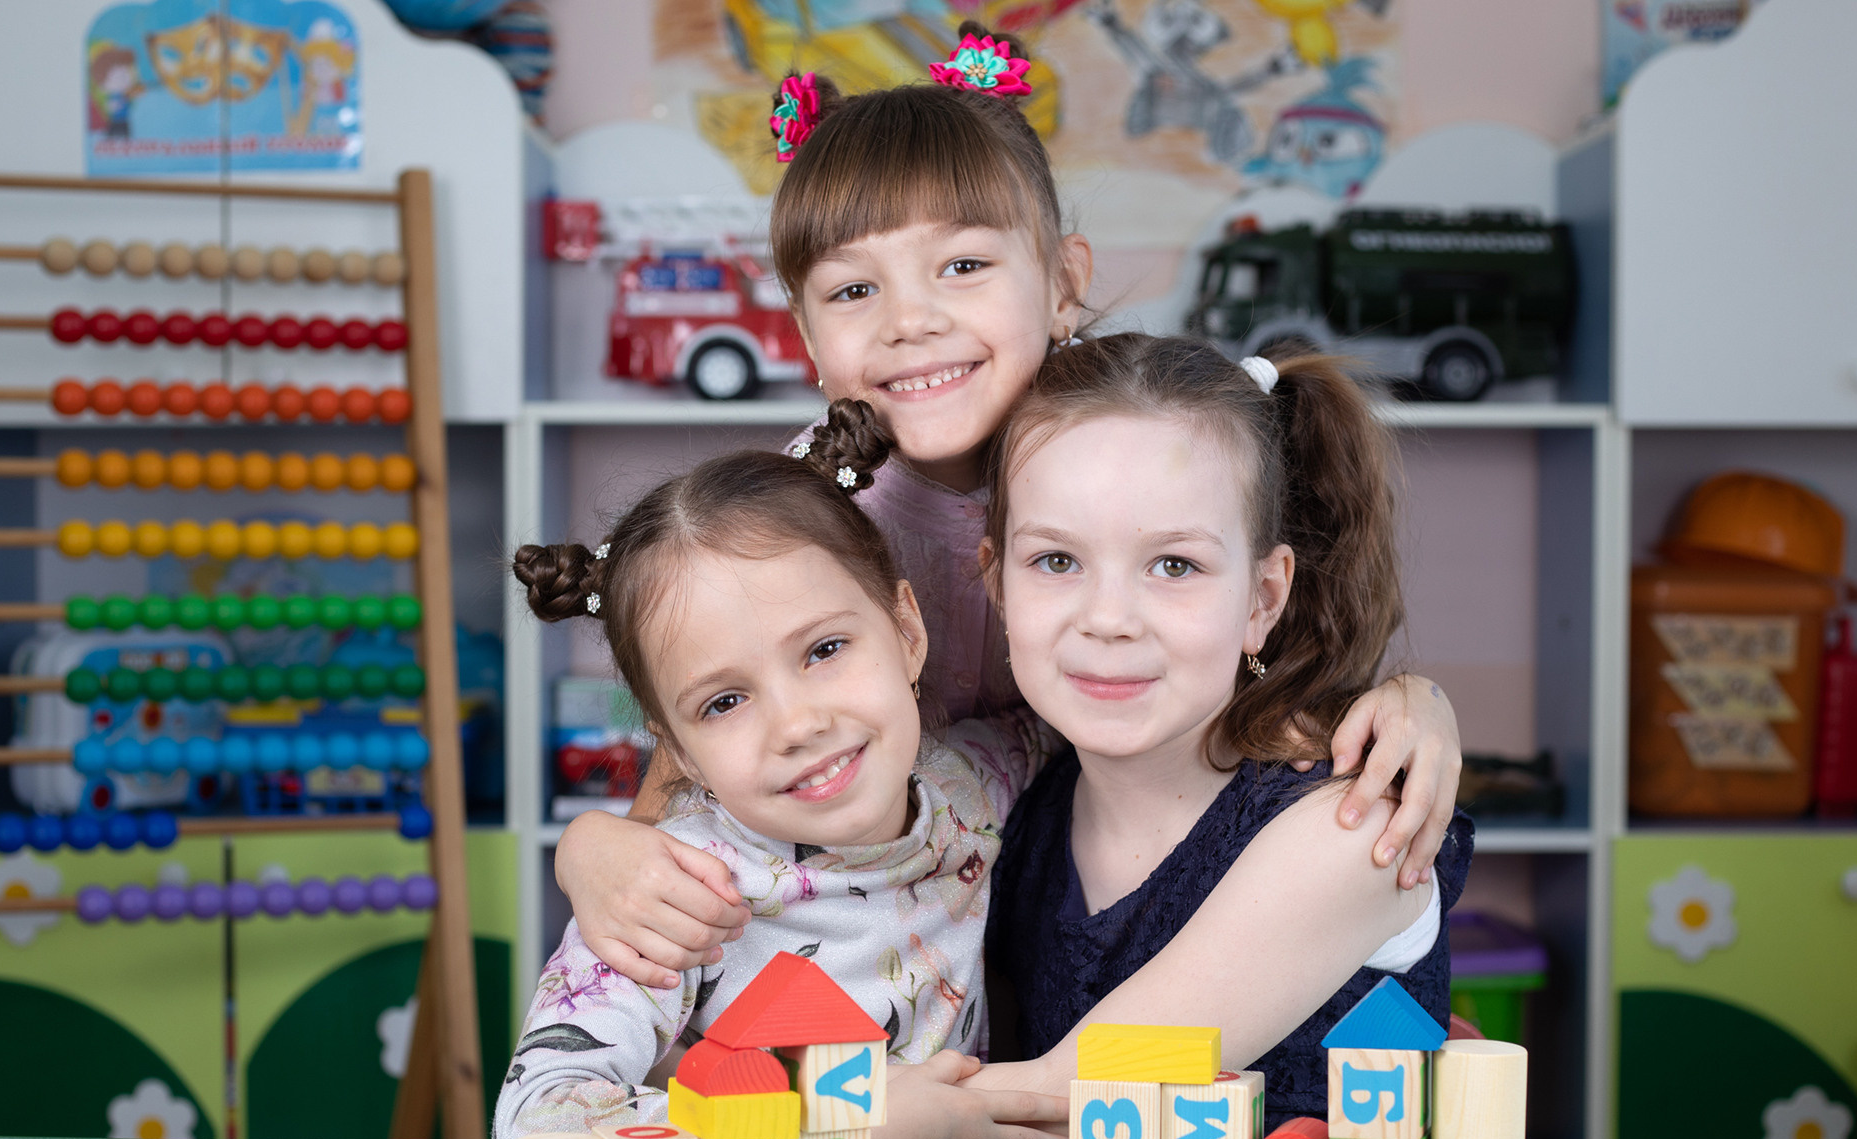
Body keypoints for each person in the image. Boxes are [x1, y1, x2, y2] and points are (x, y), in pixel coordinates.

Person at [552, 22, 1465, 1001]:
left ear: (1064, 280)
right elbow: (696, 740)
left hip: (1082, 892)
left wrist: (1415, 702)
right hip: (857, 927)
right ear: (806, 338)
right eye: (856, 288)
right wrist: (593, 849)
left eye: (962, 266)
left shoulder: (1134, 441)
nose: (911, 320)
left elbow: (1270, 626)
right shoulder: (793, 521)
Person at [495, 434, 1068, 1139]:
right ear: (683, 752)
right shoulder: (676, 897)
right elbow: (536, 1137)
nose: (796, 723)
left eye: (825, 648)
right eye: (725, 701)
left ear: (907, 632)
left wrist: (1265, 708)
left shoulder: (966, 786)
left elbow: (1060, 722)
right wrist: (862, 1133)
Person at [969, 333, 1473, 1127]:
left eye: (1174, 565)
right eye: (1057, 561)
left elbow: (1069, 1096)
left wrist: (846, 1120)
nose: (1108, 620)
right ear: (995, 579)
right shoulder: (1017, 816)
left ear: (1262, 598)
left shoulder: (1353, 826)